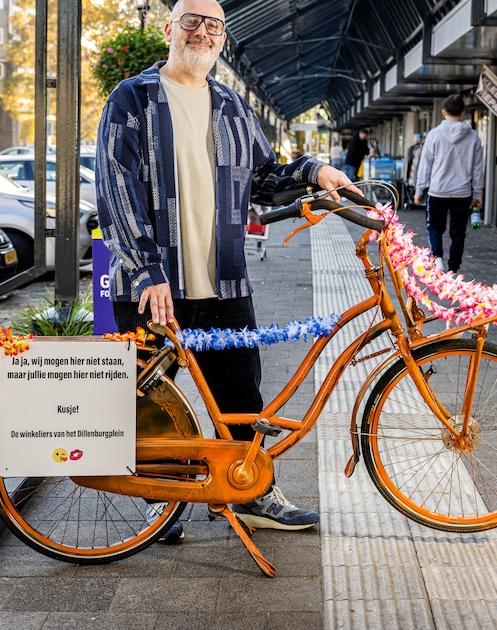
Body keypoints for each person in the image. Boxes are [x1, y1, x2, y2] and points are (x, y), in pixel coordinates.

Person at [95, 0, 354, 541]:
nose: (203, 32)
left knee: (241, 399)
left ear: (222, 39)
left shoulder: (232, 105)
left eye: (214, 25)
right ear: (169, 29)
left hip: (224, 283)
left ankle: (252, 493)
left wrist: (316, 169)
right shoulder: (131, 99)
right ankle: (159, 501)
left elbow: (263, 176)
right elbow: (116, 193)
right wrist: (147, 271)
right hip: (151, 287)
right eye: (192, 21)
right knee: (148, 405)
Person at [413, 94, 485, 273]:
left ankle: (437, 259)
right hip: (462, 193)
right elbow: (478, 169)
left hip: (437, 191)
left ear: (443, 111)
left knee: (434, 228)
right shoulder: (473, 137)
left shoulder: (434, 135)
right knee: (458, 232)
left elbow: (425, 164)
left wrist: (419, 189)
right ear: (462, 112)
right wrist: (477, 194)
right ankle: (453, 269)